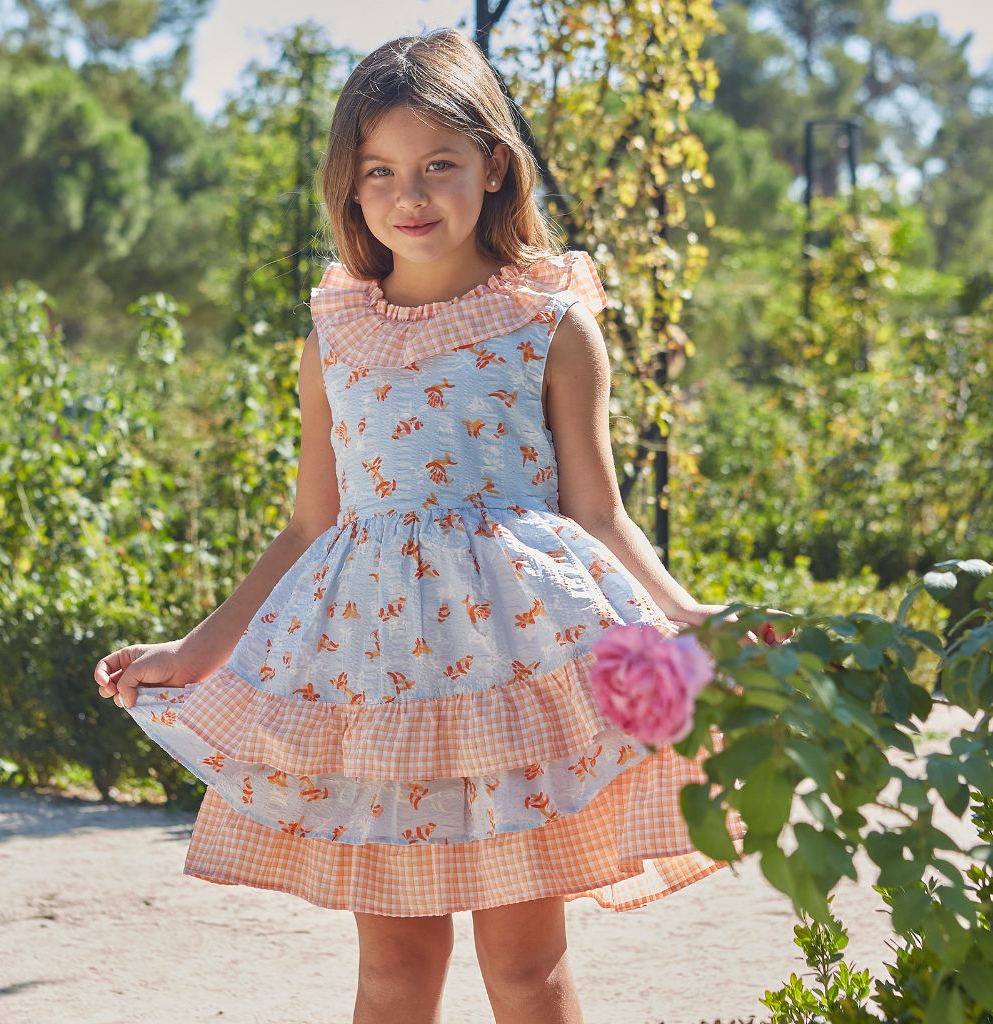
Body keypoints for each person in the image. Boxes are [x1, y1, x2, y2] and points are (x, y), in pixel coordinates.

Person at [94, 27, 793, 1024]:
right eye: (377, 171)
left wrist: (688, 616)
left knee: (524, 966)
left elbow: (597, 510)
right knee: (394, 972)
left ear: (494, 166)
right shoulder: (333, 334)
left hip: (513, 672)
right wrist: (195, 651)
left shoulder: (552, 322)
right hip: (376, 681)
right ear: (348, 185)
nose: (408, 194)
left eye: (437, 165)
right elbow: (307, 525)